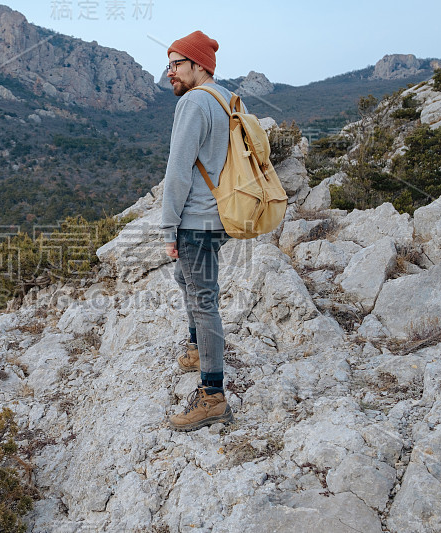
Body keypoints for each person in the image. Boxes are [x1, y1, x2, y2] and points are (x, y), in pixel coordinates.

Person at [161, 30, 235, 431]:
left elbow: (178, 169)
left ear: (199, 65)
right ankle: (194, 349)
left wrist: (169, 227)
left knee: (204, 300)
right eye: (168, 64)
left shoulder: (193, 102)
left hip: (196, 220)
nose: (169, 72)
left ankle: (212, 396)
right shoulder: (225, 99)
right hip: (218, 216)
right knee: (185, 278)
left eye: (177, 64)